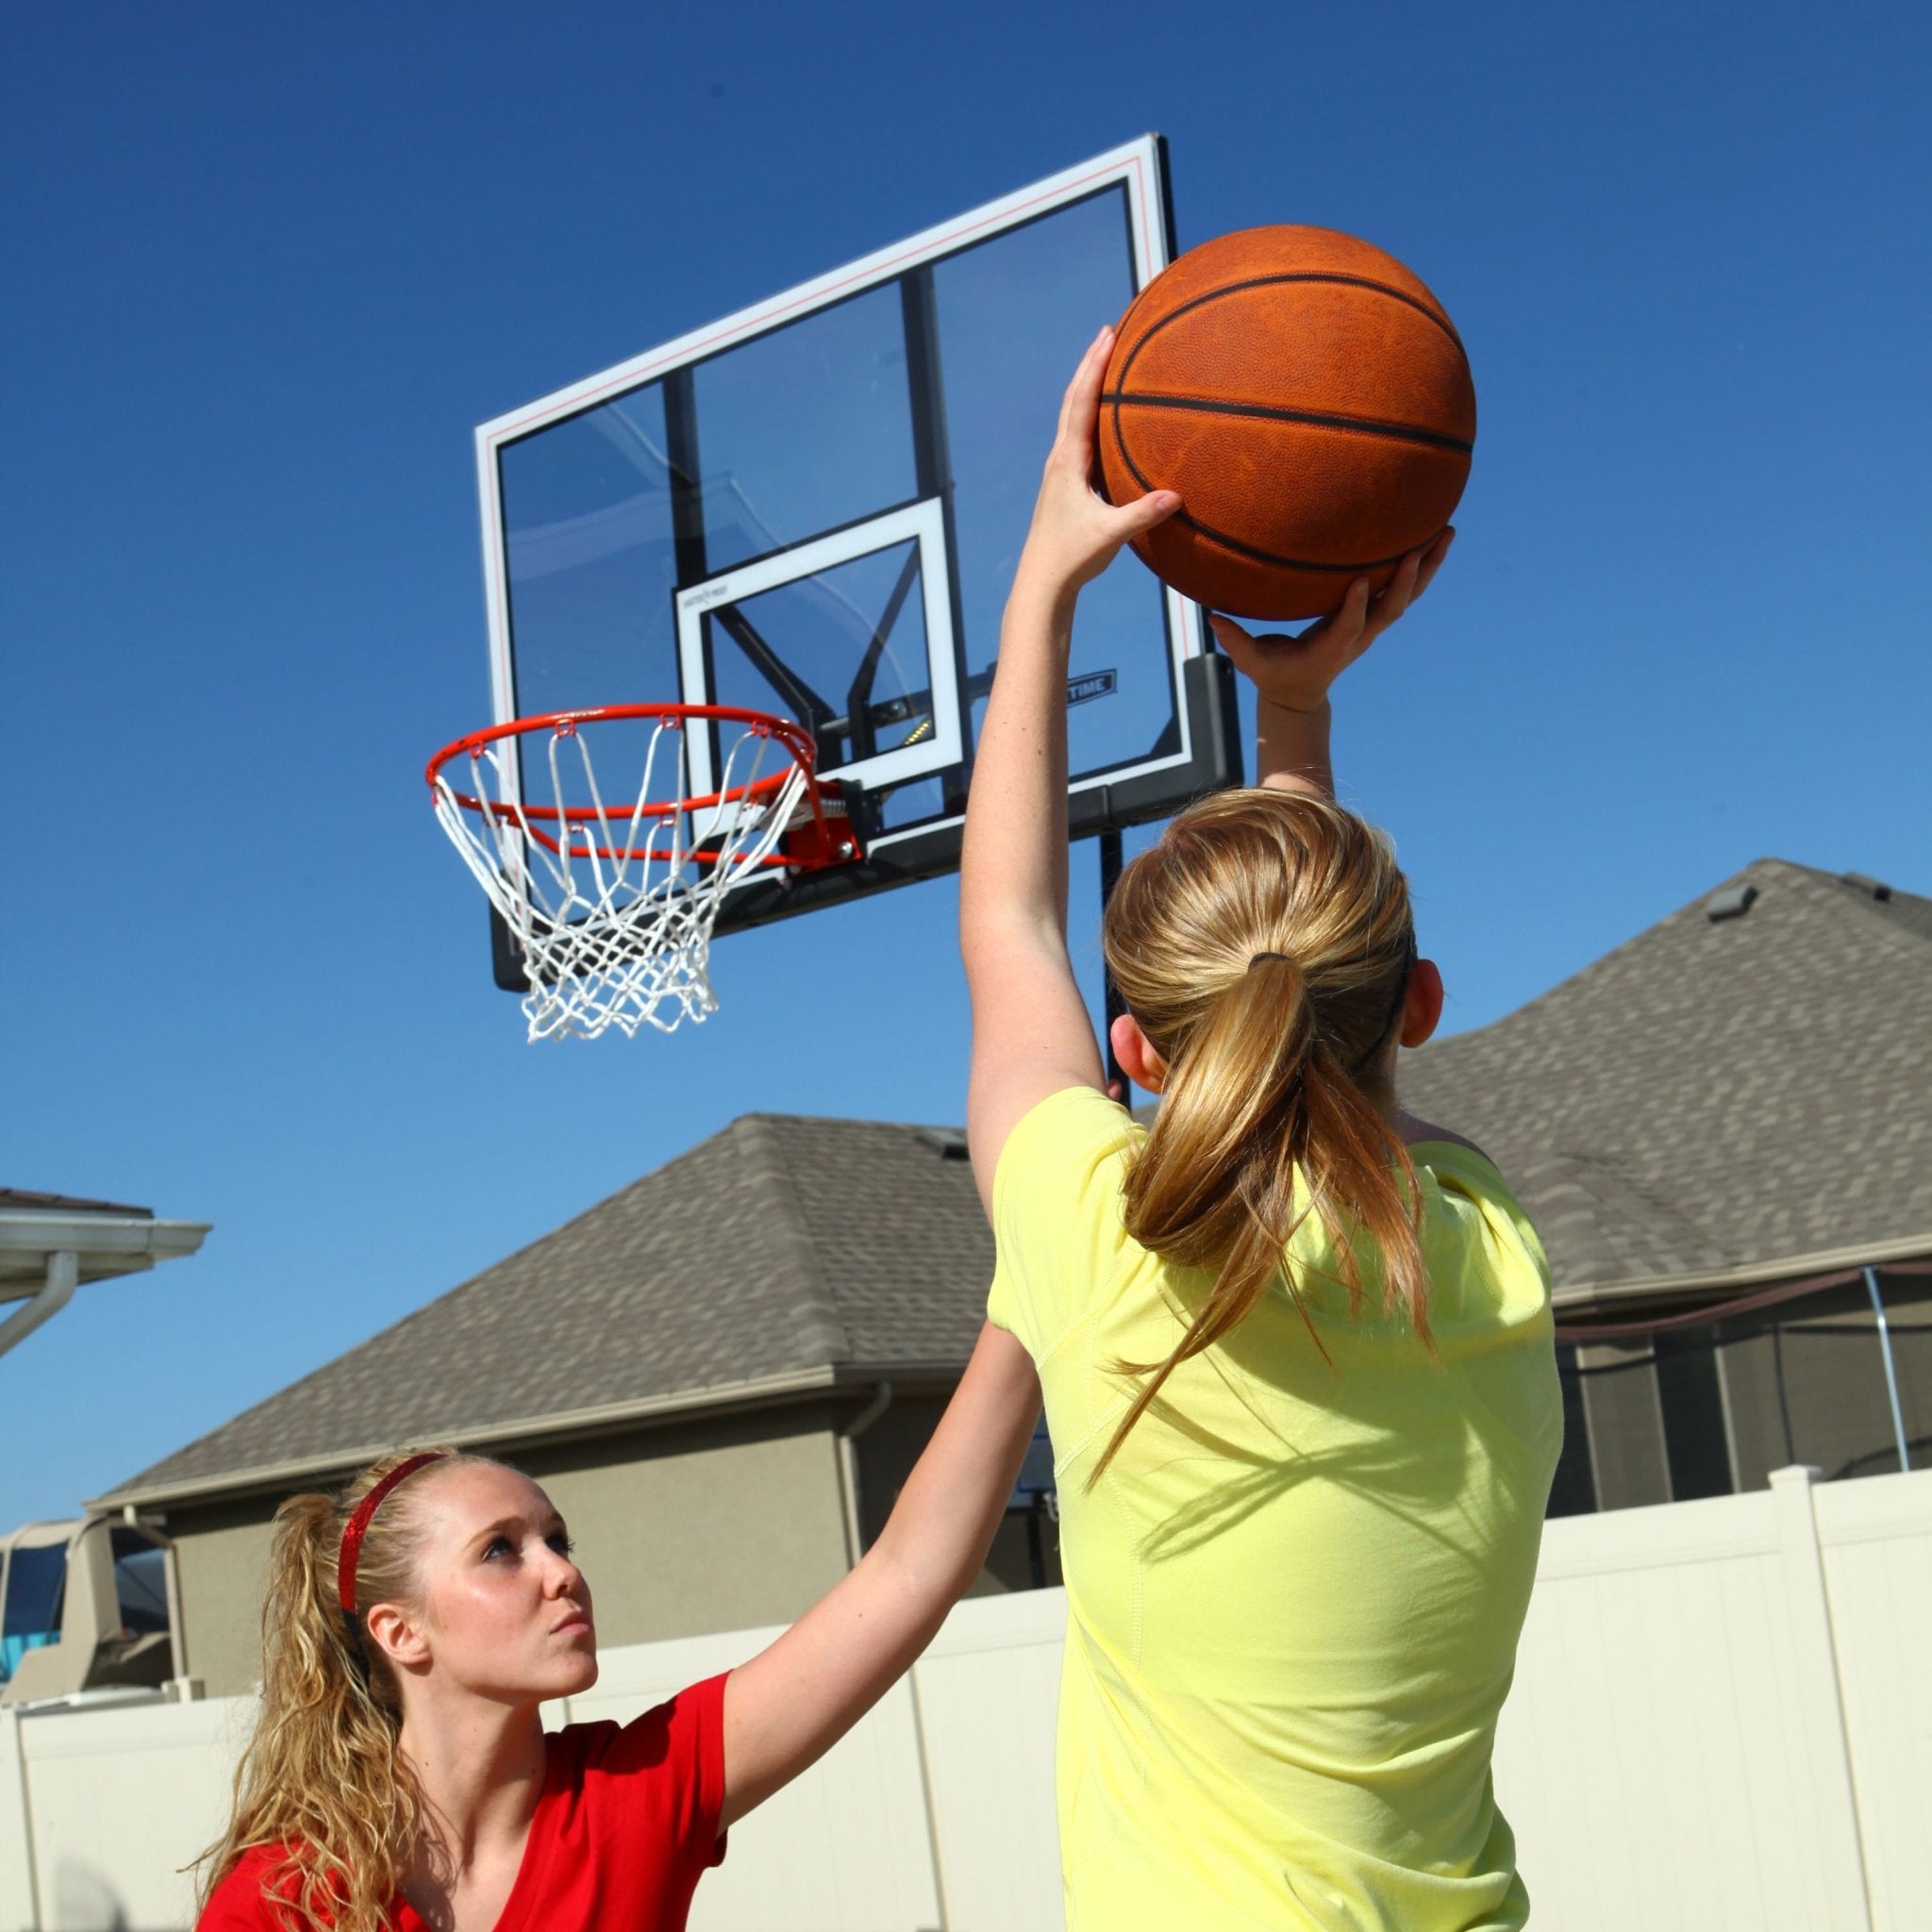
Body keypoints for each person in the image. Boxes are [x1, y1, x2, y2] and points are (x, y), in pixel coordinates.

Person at [958, 325, 1562, 1929]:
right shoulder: (1483, 1250)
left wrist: (1039, 586)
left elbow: (1009, 923)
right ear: (1420, 1001)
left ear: (1133, 1050)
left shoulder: (1107, 1245)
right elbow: (1285, 1000)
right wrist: (1286, 714)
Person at [195, 1324, 1041, 1932]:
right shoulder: (285, 1900)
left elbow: (910, 1573)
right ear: (400, 1631)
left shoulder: (638, 1792)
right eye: (501, 1551)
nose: (562, 1572)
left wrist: (1036, 1284)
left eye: (558, 1540)